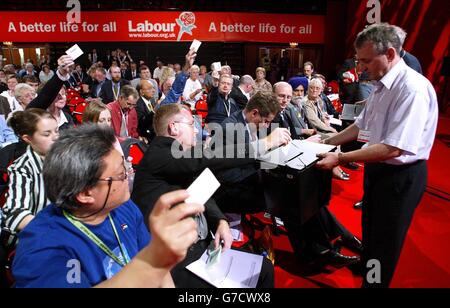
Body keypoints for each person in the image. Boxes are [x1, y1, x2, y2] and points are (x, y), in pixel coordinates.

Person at [316, 23, 438, 288]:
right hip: (378, 169)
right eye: (359, 60)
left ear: (391, 54)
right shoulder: (381, 85)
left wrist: (339, 158)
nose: (360, 68)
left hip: (400, 176)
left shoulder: (412, 89)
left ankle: (374, 284)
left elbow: (394, 148)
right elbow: (361, 125)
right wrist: (327, 140)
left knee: (385, 242)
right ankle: (365, 265)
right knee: (370, 228)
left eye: (366, 61)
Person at [12, 124, 205, 288]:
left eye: (126, 168)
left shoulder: (124, 207)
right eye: (121, 174)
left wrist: (157, 259)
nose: (129, 176)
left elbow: (161, 273)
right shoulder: (42, 248)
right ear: (85, 193)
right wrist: (154, 258)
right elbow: (154, 261)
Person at [131, 104, 274, 288]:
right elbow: (208, 158)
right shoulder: (159, 154)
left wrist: (220, 221)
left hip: (197, 246)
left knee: (264, 269)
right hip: (173, 260)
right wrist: (263, 144)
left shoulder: (178, 158)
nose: (197, 131)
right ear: (174, 127)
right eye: (192, 124)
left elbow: (201, 190)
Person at [1, 109, 59, 235]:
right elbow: (15, 213)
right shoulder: (22, 168)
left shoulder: (65, 158)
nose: (55, 137)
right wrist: (53, 231)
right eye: (46, 134)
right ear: (28, 138)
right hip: (35, 239)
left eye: (56, 131)